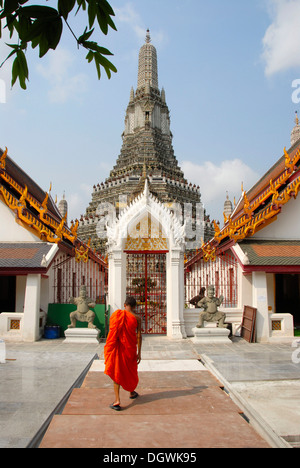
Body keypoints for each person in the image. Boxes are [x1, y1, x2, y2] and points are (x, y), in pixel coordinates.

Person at [104, 296, 142, 411]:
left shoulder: (117, 315)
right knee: (130, 370)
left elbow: (112, 332)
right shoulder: (137, 318)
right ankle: (131, 392)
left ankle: (117, 401)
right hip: (130, 349)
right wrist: (139, 353)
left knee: (117, 372)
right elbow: (139, 337)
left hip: (118, 348)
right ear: (135, 307)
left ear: (125, 305)